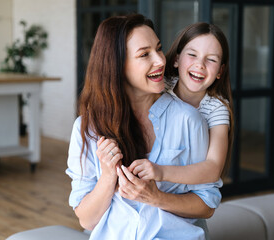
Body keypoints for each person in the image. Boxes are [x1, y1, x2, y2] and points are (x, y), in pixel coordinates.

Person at [66, 14, 221, 240]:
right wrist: (108, 176)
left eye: (158, 49)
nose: (160, 60)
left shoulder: (188, 120)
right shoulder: (87, 129)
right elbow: (87, 220)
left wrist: (156, 197)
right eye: (144, 54)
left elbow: (206, 205)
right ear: (117, 65)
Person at [127, 22, 234, 185]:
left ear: (220, 71)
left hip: (185, 186)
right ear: (176, 59)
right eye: (192, 55)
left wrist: (161, 172)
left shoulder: (216, 109)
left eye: (211, 59)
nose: (200, 64)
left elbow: (213, 168)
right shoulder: (159, 86)